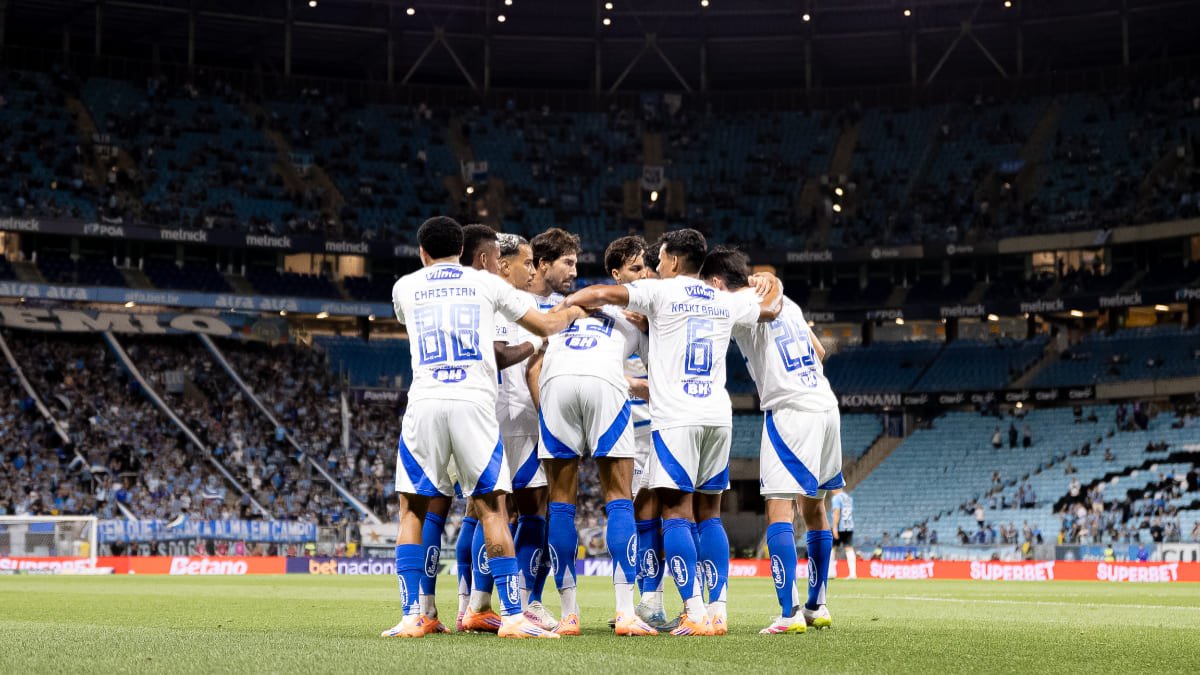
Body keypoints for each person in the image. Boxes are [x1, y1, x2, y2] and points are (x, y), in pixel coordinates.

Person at [563, 228, 783, 637]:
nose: (655, 266)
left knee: (675, 513)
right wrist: (772, 281)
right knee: (710, 514)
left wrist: (569, 304)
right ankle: (717, 612)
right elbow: (770, 308)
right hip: (718, 415)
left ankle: (694, 612)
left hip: (676, 417)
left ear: (675, 261)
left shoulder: (661, 292)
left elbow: (603, 294)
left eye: (660, 259)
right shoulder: (721, 298)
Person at [380, 216, 584, 639]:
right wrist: (569, 317)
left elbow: (410, 318)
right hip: (475, 404)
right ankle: (511, 616)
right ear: (472, 253)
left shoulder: (405, 286)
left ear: (422, 252)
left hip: (425, 404)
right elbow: (544, 326)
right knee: (493, 507)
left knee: (413, 509)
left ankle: (411, 615)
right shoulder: (488, 285)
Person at [700, 246, 843, 633]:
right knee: (816, 511)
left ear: (716, 283)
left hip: (791, 412)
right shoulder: (790, 302)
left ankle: (789, 613)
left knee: (780, 511)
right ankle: (817, 605)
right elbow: (818, 350)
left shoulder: (742, 304)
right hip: (826, 405)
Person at [537, 235, 657, 637]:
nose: (644, 276)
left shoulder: (570, 307)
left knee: (561, 504)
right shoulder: (638, 318)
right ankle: (625, 612)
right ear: (619, 276)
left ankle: (569, 614)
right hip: (605, 385)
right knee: (618, 498)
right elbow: (658, 373)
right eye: (638, 270)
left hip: (556, 383)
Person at [463, 229, 559, 633]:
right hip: (512, 420)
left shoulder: (489, 299)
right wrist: (540, 345)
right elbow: (502, 356)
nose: (531, 270)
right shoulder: (500, 302)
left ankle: (474, 603)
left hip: (490, 418)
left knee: (483, 511)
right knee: (531, 510)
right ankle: (524, 603)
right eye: (525, 262)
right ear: (501, 264)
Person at [831, 488, 857, 581]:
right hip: (849, 525)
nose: (831, 490)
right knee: (849, 548)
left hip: (840, 527)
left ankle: (831, 573)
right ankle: (853, 574)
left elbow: (836, 512)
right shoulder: (848, 498)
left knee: (832, 548)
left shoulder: (836, 498)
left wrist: (834, 527)